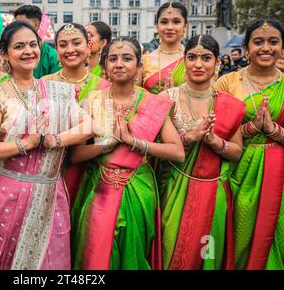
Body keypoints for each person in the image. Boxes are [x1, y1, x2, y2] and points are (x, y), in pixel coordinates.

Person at [0, 21, 92, 270]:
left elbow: (89, 125)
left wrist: (56, 140)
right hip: (7, 197)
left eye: (33, 45)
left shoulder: (57, 91)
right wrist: (24, 144)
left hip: (50, 196)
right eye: (19, 46)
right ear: (5, 54)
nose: (28, 51)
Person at [70, 37, 185, 270]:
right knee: (95, 256)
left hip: (139, 189)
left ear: (139, 67)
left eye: (127, 58)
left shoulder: (152, 103)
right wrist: (107, 145)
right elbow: (74, 155)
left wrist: (135, 142)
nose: (119, 64)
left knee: (134, 254)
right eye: (112, 58)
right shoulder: (90, 101)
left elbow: (177, 152)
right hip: (98, 188)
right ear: (104, 67)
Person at [159, 35, 245, 270]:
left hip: (214, 192)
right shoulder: (166, 99)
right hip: (173, 187)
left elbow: (237, 152)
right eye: (192, 57)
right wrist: (189, 138)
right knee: (170, 252)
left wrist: (216, 142)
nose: (198, 64)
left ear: (217, 62)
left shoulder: (230, 104)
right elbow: (153, 152)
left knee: (208, 257)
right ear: (183, 61)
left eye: (206, 58)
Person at [215, 19, 283, 270]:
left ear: (282, 49)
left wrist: (273, 130)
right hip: (236, 169)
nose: (266, 48)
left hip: (279, 176)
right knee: (237, 232)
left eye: (273, 42)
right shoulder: (227, 83)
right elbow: (216, 133)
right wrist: (250, 129)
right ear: (246, 48)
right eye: (258, 42)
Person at [43, 22, 111, 206]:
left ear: (88, 47)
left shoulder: (104, 87)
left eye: (76, 43)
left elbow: (105, 139)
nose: (70, 49)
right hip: (48, 169)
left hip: (89, 172)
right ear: (56, 50)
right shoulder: (43, 84)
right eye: (63, 45)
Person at [142, 2, 187, 94]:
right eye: (164, 22)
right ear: (157, 26)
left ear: (185, 26)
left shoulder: (192, 59)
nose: (169, 27)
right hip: (151, 108)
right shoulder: (145, 60)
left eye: (176, 22)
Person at [13, 5, 61, 79]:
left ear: (36, 25)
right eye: (16, 25)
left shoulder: (52, 55)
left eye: (23, 25)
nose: (18, 28)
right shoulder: (11, 52)